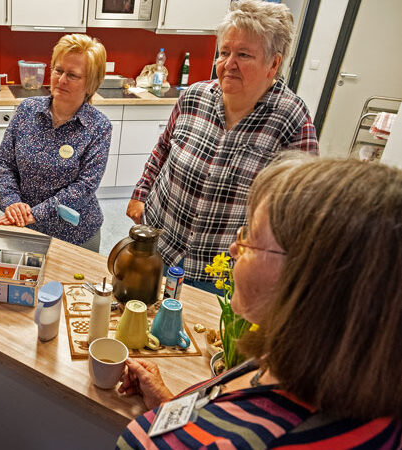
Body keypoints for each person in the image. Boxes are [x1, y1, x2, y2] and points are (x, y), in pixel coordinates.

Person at [117, 156, 402, 448]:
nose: (233, 248)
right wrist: (168, 402)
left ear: (308, 278)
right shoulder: (344, 383)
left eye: (249, 236)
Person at [126, 0, 318, 292]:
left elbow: (300, 207)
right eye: (225, 52)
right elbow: (162, 150)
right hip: (158, 246)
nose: (228, 64)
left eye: (243, 55)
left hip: (220, 272)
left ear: (274, 64)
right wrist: (140, 194)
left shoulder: (292, 119)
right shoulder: (194, 97)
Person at [0, 34, 112, 252]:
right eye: (58, 71)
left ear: (91, 84)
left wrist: (34, 214)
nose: (61, 80)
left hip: (75, 236)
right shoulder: (27, 110)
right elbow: (4, 163)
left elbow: (84, 186)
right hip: (24, 228)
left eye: (73, 75)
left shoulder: (99, 127)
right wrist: (12, 202)